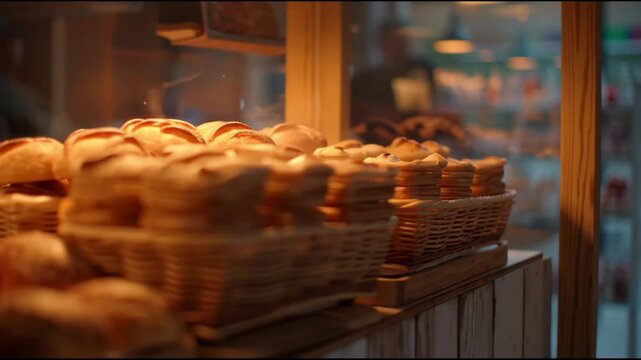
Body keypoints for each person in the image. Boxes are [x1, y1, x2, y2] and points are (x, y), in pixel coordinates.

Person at [0, 20, 48, 141]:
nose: (13, 53)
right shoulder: (7, 91)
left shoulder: (21, 91)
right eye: (6, 46)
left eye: (16, 47)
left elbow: (42, 119)